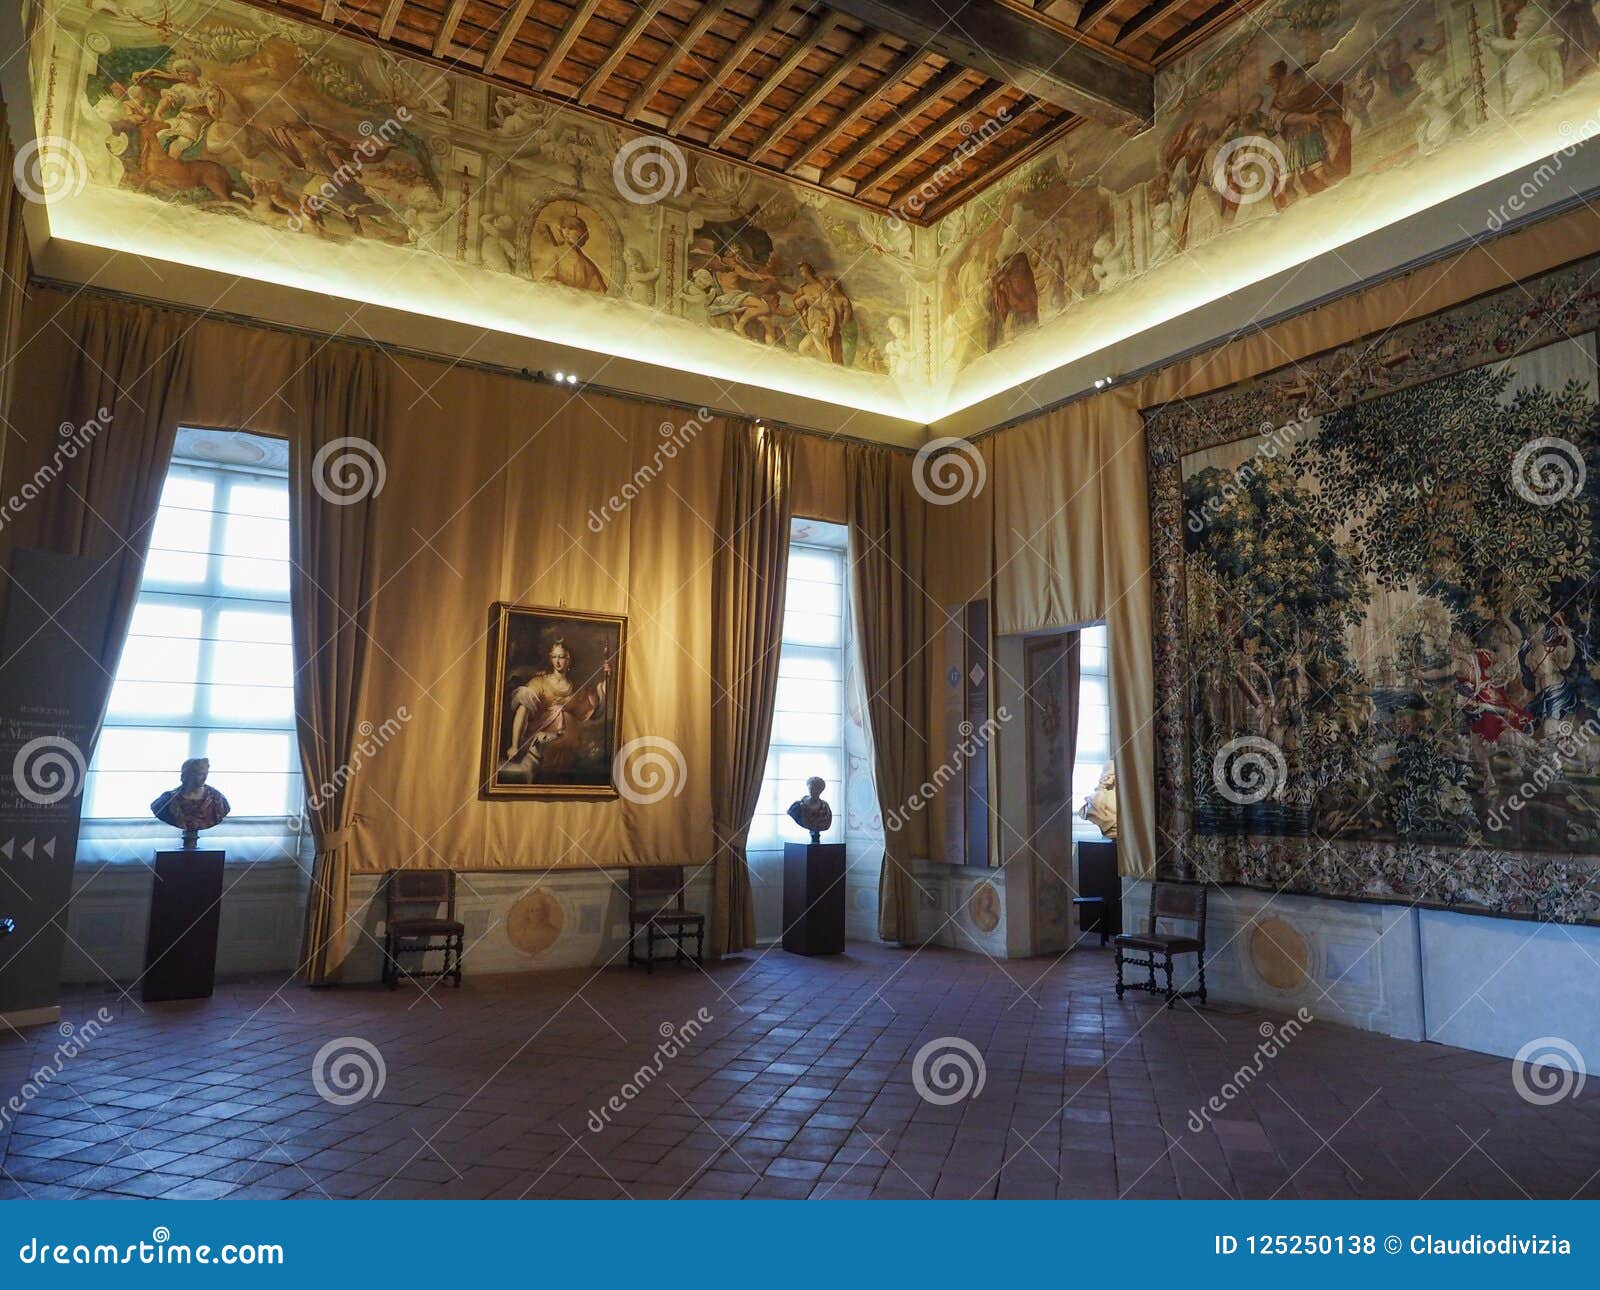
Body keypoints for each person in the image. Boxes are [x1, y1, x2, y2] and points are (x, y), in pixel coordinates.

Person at [503, 639, 610, 780]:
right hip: (544, 740)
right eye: (554, 656)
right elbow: (523, 712)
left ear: (569, 659)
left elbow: (593, 707)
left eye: (561, 657)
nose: (557, 661)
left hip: (569, 744)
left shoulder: (576, 687)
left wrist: (608, 678)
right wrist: (514, 745)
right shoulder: (539, 682)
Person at [150, 757, 231, 848]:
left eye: (205, 773)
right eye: (198, 773)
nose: (203, 777)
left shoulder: (217, 799)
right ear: (187, 774)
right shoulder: (167, 800)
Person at [541, 213, 607, 293]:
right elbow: (546, 281)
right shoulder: (555, 253)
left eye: (572, 228)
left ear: (581, 233)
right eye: (564, 228)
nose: (566, 232)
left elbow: (601, 294)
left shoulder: (589, 265)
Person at [786, 777, 833, 843]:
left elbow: (827, 824)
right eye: (811, 788)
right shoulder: (797, 807)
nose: (814, 791)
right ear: (808, 788)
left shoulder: (825, 808)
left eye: (817, 789)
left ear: (821, 790)